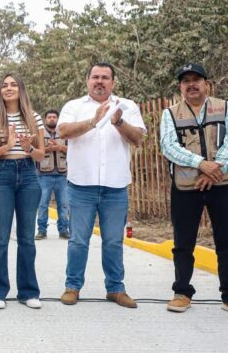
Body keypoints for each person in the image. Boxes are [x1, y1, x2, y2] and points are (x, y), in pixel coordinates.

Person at [160, 63, 228, 319]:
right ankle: (182, 292)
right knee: (183, 243)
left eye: (196, 79)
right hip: (185, 187)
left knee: (227, 242)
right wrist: (201, 164)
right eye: (185, 81)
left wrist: (214, 168)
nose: (191, 84)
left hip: (222, 185)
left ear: (207, 83)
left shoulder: (226, 108)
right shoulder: (170, 114)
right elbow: (169, 147)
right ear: (180, 87)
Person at [57, 62, 145, 309]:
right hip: (81, 186)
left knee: (114, 241)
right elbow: (63, 131)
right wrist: (93, 121)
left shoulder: (127, 106)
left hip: (115, 186)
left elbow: (138, 138)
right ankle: (72, 287)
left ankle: (115, 288)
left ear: (113, 82)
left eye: (105, 77)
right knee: (78, 241)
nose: (100, 81)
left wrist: (117, 122)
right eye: (95, 77)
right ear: (87, 81)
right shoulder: (74, 106)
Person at [0, 74, 45, 310]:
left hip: (28, 174)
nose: (8, 88)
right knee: (0, 237)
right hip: (1, 175)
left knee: (27, 238)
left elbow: (41, 155)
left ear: (21, 89)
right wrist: (7, 146)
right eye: (4, 85)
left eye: (13, 84)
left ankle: (28, 291)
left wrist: (28, 147)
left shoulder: (34, 117)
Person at [35, 109, 70, 240]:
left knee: (64, 204)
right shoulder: (39, 134)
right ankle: (41, 230)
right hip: (44, 175)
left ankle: (63, 230)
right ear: (45, 120)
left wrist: (59, 147)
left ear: (58, 119)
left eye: (54, 117)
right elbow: (34, 153)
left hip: (62, 175)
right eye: (49, 117)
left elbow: (72, 150)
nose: (52, 119)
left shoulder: (64, 133)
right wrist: (49, 148)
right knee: (43, 204)